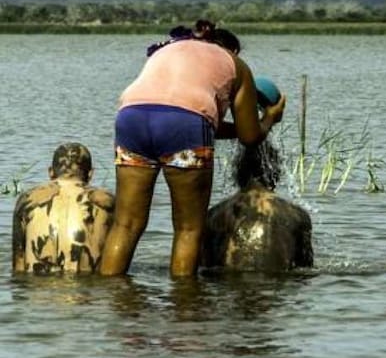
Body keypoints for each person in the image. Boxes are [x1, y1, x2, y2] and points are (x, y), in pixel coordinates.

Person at [99, 20, 286, 277]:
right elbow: (249, 136)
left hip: (131, 118)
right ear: (232, 50)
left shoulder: (169, 49)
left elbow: (196, 117)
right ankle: (185, 306)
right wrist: (269, 119)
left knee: (126, 224)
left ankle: (109, 299)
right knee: (188, 229)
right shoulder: (236, 65)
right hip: (185, 125)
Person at [202, 140, 313, 272]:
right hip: (275, 288)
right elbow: (305, 269)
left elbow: (204, 267)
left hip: (230, 289)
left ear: (239, 171)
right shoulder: (297, 214)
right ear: (275, 171)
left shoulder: (214, 215)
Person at [12, 142, 115, 273]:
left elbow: (18, 264)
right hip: (87, 290)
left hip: (38, 289)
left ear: (50, 172)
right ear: (90, 174)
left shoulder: (26, 200)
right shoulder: (108, 201)